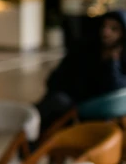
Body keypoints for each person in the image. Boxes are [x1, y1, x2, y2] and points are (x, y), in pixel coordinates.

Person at [34, 11, 126, 140]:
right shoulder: (85, 49)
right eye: (104, 27)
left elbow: (115, 89)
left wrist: (112, 63)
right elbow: (55, 79)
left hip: (101, 106)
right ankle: (30, 136)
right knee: (55, 102)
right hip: (73, 98)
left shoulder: (121, 57)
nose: (106, 32)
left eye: (114, 29)